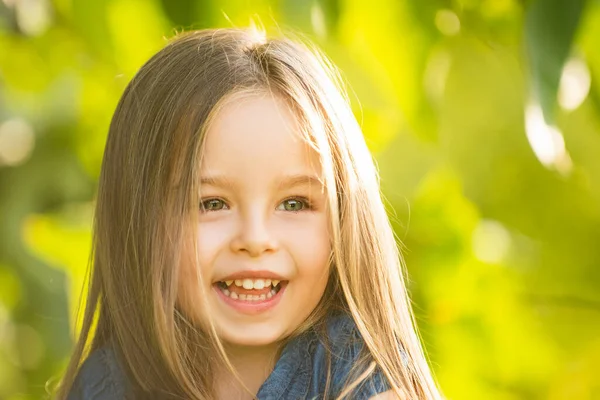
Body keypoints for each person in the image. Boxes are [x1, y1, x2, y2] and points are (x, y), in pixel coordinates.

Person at [53, 28, 442, 400]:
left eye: (294, 204)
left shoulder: (359, 379)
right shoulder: (109, 385)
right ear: (139, 222)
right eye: (212, 204)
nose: (255, 240)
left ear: (344, 221)